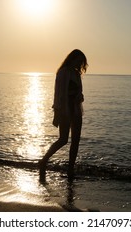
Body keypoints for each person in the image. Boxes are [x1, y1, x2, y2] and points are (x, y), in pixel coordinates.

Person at [39, 49, 88, 181]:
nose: (80, 63)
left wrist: (80, 97)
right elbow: (58, 94)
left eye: (81, 62)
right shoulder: (63, 72)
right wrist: (57, 113)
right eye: (78, 60)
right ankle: (43, 161)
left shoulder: (76, 74)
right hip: (65, 110)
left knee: (76, 140)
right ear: (72, 58)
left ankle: (70, 169)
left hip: (76, 110)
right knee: (63, 140)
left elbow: (79, 93)